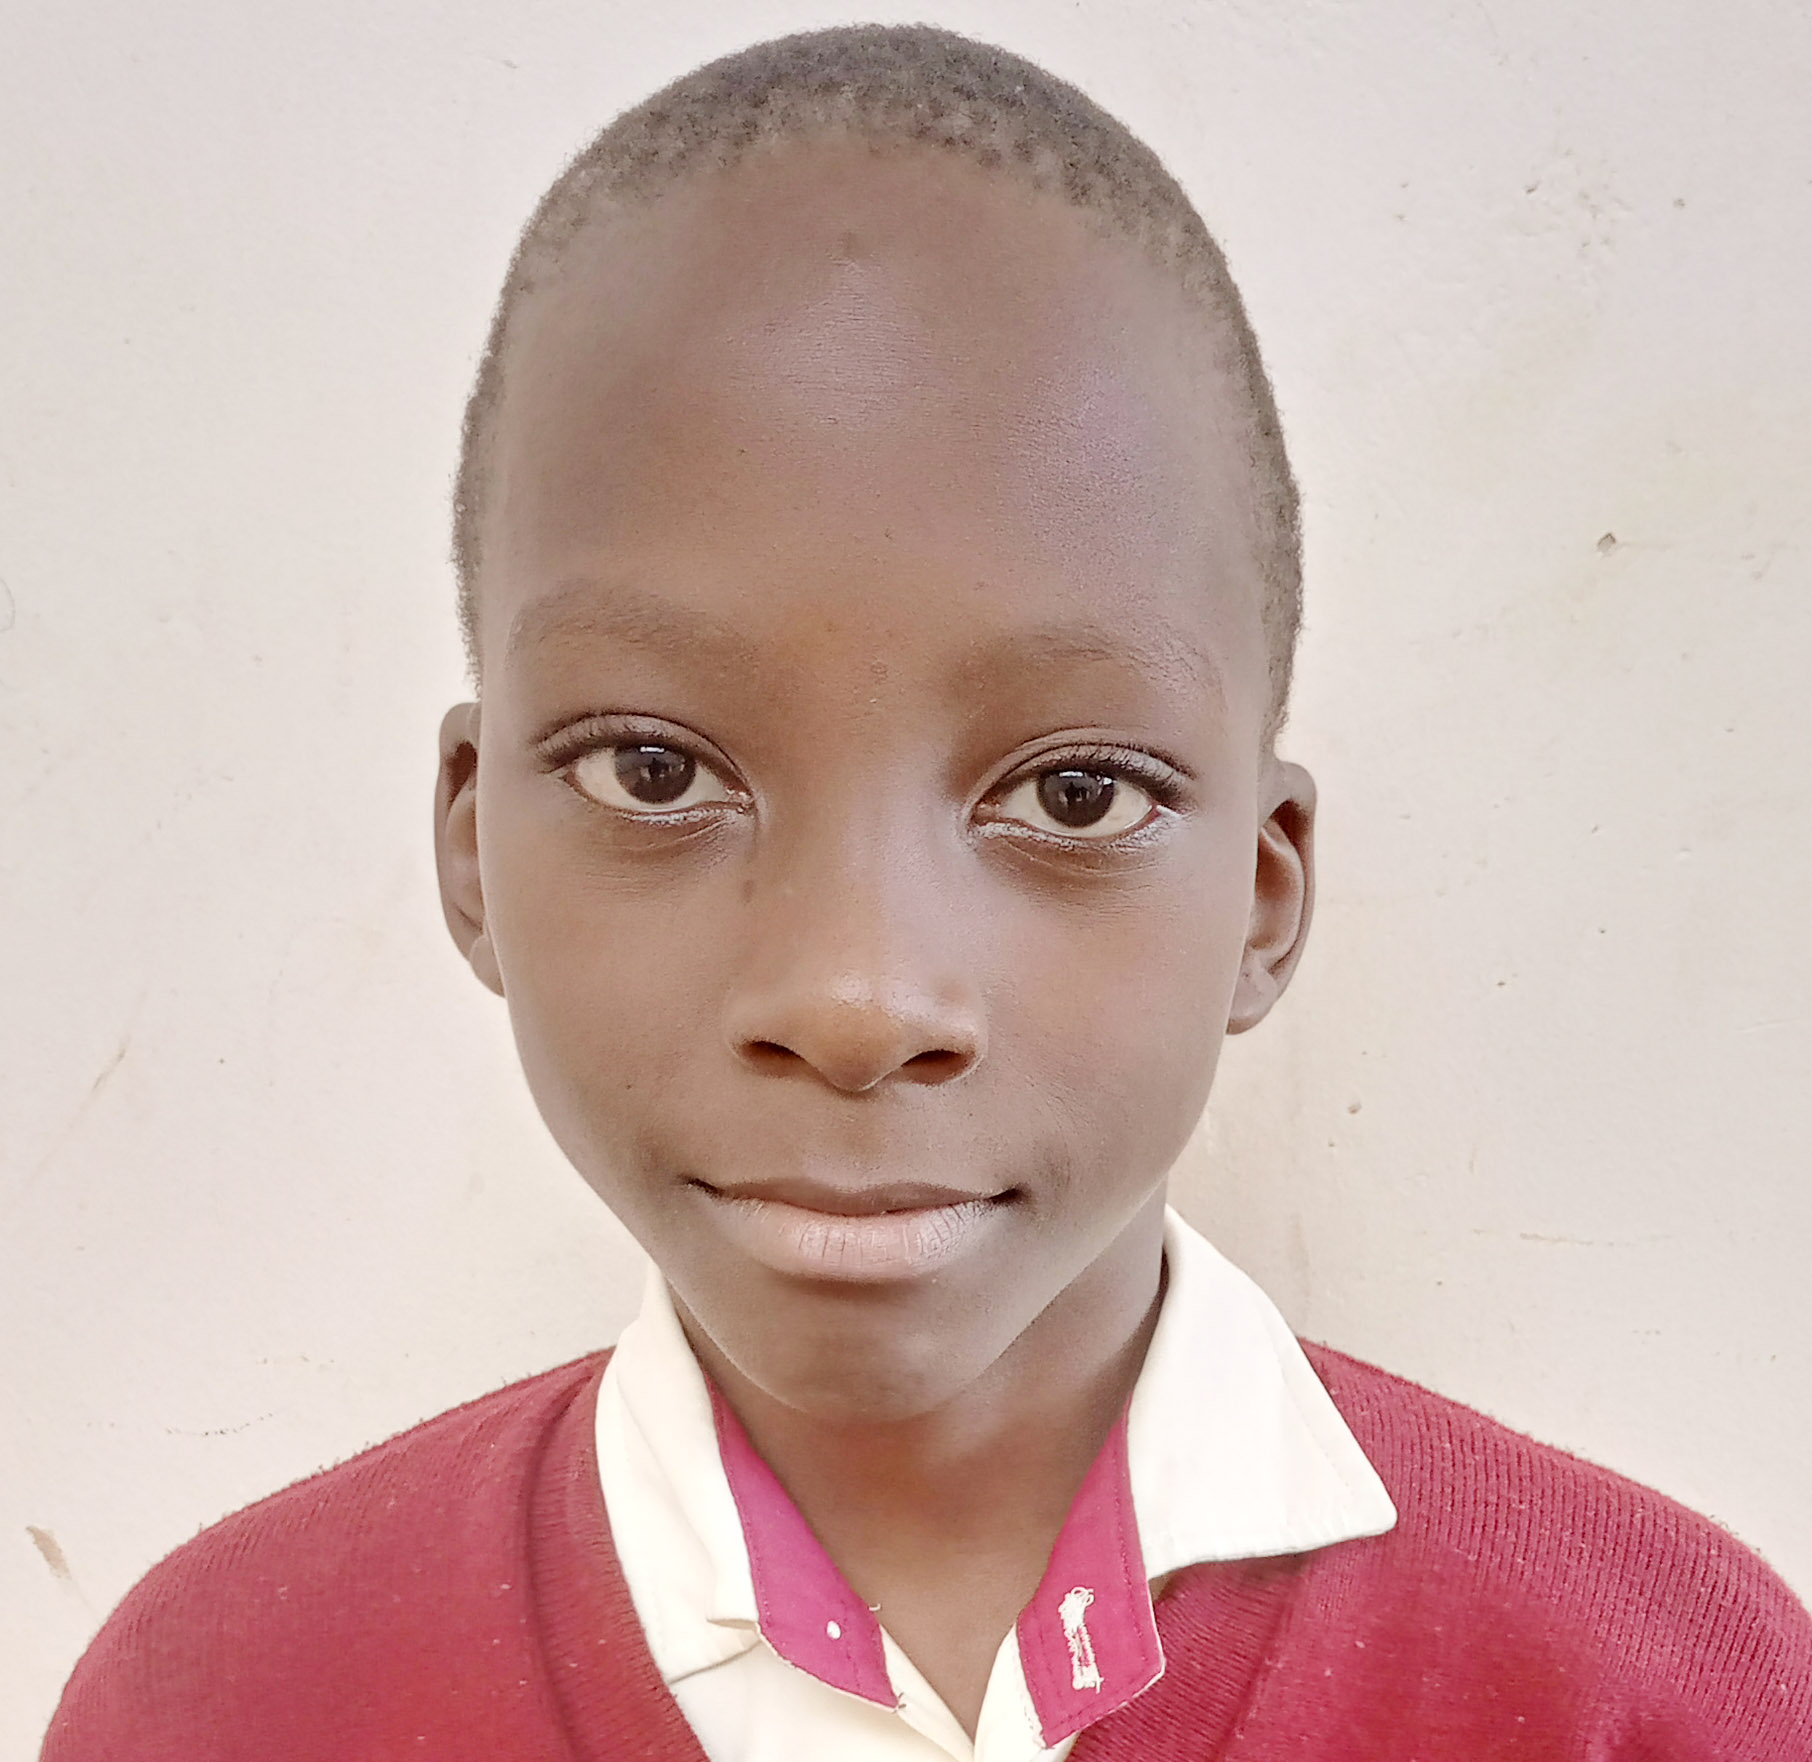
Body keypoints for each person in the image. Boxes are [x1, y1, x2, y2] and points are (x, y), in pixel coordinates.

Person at [40, 24, 1812, 1761]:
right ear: (470, 845)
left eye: (1072, 793)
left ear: (1267, 895)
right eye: (653, 771)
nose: (858, 996)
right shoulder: (218, 1706)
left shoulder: (1657, 1699)